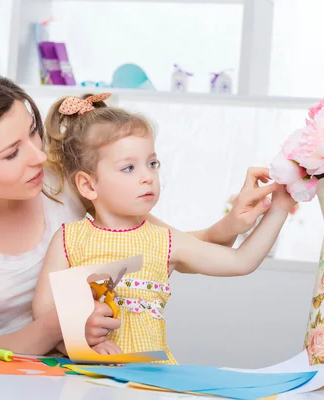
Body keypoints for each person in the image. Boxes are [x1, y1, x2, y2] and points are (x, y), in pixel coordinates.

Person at [0, 68, 280, 355]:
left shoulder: (68, 186)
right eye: (11, 154)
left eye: (33, 133)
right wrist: (63, 324)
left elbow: (168, 249)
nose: (39, 157)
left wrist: (235, 222)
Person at [32, 93, 295, 362]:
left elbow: (241, 261)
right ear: (88, 185)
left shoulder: (165, 241)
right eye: (128, 168)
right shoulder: (68, 239)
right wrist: (83, 344)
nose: (148, 177)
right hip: (86, 380)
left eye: (152, 164)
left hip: (153, 380)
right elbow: (43, 315)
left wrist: (280, 207)